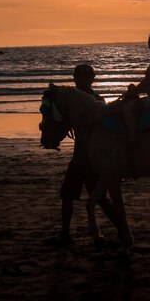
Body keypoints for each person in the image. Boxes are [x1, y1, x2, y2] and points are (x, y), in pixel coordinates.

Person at [57, 63, 117, 245]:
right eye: (80, 77)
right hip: (80, 158)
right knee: (68, 196)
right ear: (75, 79)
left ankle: (122, 230)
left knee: (100, 199)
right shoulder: (82, 100)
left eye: (86, 77)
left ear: (92, 79)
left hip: (91, 160)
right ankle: (65, 235)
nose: (82, 81)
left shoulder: (95, 101)